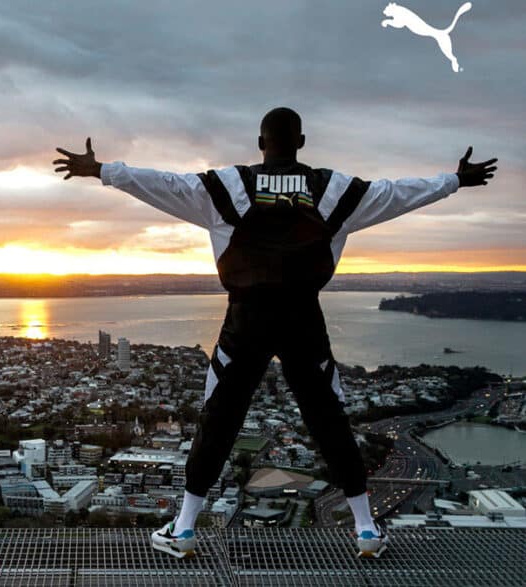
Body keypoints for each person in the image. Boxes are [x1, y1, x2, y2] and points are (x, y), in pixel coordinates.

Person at [52, 107, 497, 559]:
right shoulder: (332, 191)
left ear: (259, 143)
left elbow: (164, 185)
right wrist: (454, 180)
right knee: (328, 417)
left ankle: (184, 528)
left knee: (220, 417)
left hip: (246, 318)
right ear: (301, 142)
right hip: (304, 317)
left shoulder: (228, 187)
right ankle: (366, 528)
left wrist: (101, 170)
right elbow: (397, 193)